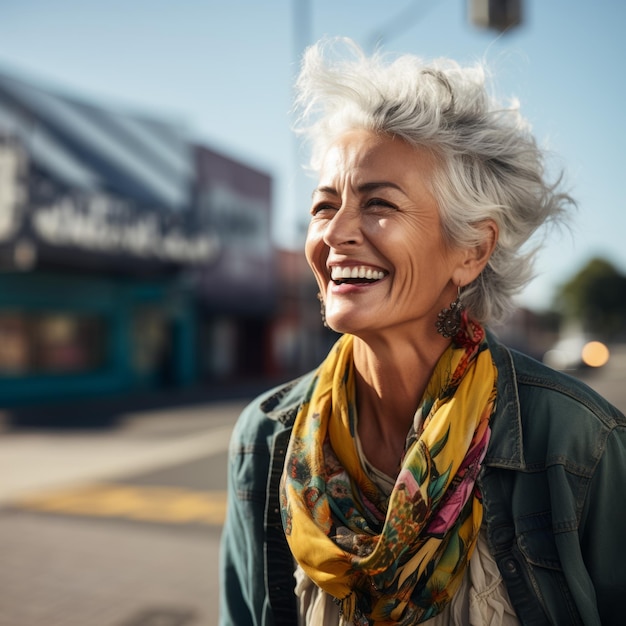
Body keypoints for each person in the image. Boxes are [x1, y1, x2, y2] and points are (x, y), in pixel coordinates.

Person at [219, 38, 626, 626]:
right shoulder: (263, 440)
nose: (336, 233)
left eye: (378, 203)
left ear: (472, 250)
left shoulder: (580, 445)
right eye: (324, 205)